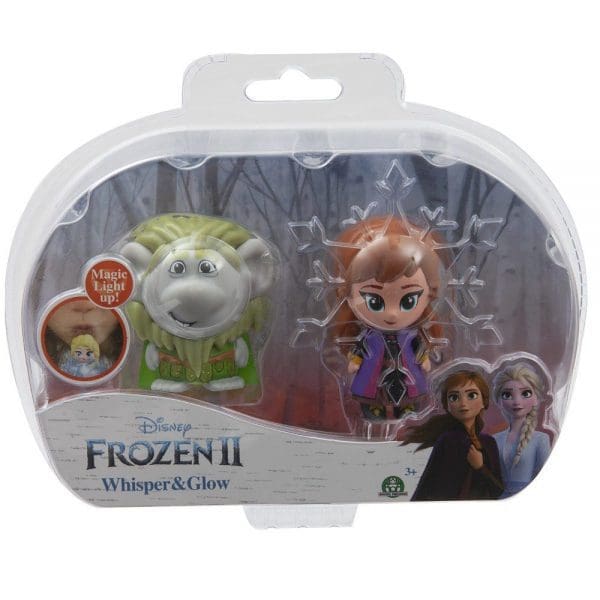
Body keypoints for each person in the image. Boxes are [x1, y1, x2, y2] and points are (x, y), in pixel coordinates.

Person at [331, 216, 445, 432]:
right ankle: (376, 413)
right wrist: (354, 360)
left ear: (430, 293)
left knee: (409, 397)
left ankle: (406, 413)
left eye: (408, 300)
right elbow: (359, 349)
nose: (392, 315)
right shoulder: (368, 335)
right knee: (373, 397)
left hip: (408, 376)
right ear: (347, 293)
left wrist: (424, 359)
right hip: (372, 375)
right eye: (375, 301)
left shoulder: (412, 335)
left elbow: (419, 348)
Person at [403, 370, 503, 501]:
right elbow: (428, 484)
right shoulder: (449, 441)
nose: (463, 403)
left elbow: (498, 490)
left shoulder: (488, 442)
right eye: (454, 397)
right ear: (447, 405)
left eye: (472, 395)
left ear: (484, 401)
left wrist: (480, 467)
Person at [492, 362, 552, 497]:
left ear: (536, 399)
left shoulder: (541, 439)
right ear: (499, 401)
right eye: (507, 395)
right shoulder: (495, 439)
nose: (517, 401)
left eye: (526, 393)